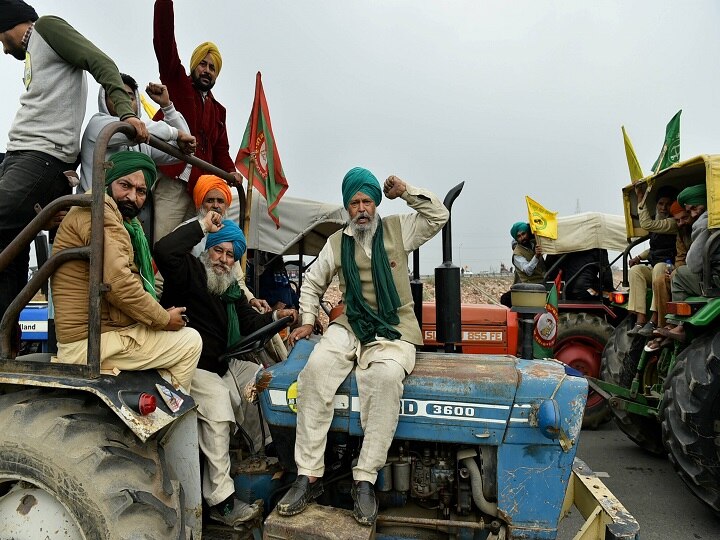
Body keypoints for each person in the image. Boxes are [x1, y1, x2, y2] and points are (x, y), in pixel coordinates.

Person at [276, 168, 448, 526]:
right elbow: (312, 282)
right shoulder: (337, 243)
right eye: (354, 203)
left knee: (385, 379)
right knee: (314, 373)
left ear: (376, 202)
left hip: (394, 327)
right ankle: (308, 475)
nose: (361, 209)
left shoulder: (401, 228)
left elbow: (439, 215)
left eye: (367, 201)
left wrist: (406, 191)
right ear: (347, 208)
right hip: (351, 322)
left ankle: (365, 479)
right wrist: (308, 319)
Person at [0, 0, 149, 342]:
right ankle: (6, 340)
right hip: (21, 154)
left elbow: (102, 62)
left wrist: (126, 113)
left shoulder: (48, 29)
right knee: (9, 248)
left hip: (41, 157)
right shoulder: (35, 55)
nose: (2, 45)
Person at [154, 213, 297, 527]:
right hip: (190, 366)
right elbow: (164, 250)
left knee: (270, 377)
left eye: (231, 255)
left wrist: (279, 314)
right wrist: (203, 226)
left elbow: (252, 324)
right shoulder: (188, 272)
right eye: (219, 250)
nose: (223, 259)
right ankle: (221, 501)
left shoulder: (230, 291)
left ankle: (276, 458)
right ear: (208, 250)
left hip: (223, 362)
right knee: (219, 403)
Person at [51, 151, 201, 392]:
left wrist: (159, 316)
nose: (132, 197)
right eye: (125, 185)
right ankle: (167, 423)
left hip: (101, 333)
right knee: (191, 342)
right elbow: (118, 283)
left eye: (141, 191)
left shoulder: (117, 218)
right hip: (88, 342)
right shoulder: (99, 211)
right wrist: (163, 319)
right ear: (109, 181)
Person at [152, 0, 243, 243]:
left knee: (191, 252)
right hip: (172, 183)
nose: (207, 70)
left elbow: (221, 151)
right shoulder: (178, 84)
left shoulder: (218, 111)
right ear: (194, 66)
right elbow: (165, 44)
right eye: (203, 64)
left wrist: (231, 171)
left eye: (212, 68)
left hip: (200, 191)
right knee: (164, 246)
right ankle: (157, 283)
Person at [79, 73, 196, 193]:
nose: (125, 101)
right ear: (104, 100)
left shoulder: (145, 140)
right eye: (117, 96)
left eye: (130, 97)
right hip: (94, 209)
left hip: (130, 211)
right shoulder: (97, 125)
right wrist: (175, 133)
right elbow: (130, 127)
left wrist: (168, 107)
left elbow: (184, 150)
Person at [654, 185, 714, 343]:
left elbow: (693, 263)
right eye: (689, 211)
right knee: (663, 277)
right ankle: (659, 323)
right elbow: (681, 256)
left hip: (713, 278)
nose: (693, 214)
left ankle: (676, 324)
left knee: (678, 276)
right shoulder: (683, 233)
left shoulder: (702, 224)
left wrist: (678, 270)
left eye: (693, 209)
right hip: (709, 272)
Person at [627, 185, 678, 336]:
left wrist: (641, 199)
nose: (663, 208)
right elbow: (653, 247)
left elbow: (647, 224)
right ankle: (640, 319)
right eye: (660, 204)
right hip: (656, 265)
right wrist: (638, 257)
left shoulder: (672, 223)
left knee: (659, 268)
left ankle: (654, 318)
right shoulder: (659, 222)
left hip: (670, 267)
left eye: (668, 204)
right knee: (636, 271)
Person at [545, 249, 613, 300]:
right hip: (586, 291)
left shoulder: (568, 247)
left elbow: (550, 267)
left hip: (568, 290)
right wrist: (610, 290)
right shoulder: (599, 248)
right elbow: (606, 276)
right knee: (609, 298)